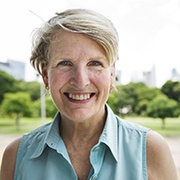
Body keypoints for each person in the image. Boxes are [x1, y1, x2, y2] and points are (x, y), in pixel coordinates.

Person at [0, 9, 178, 180]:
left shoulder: (150, 150)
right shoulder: (16, 157)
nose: (81, 81)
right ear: (46, 75)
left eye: (95, 63)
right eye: (65, 63)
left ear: (111, 73)